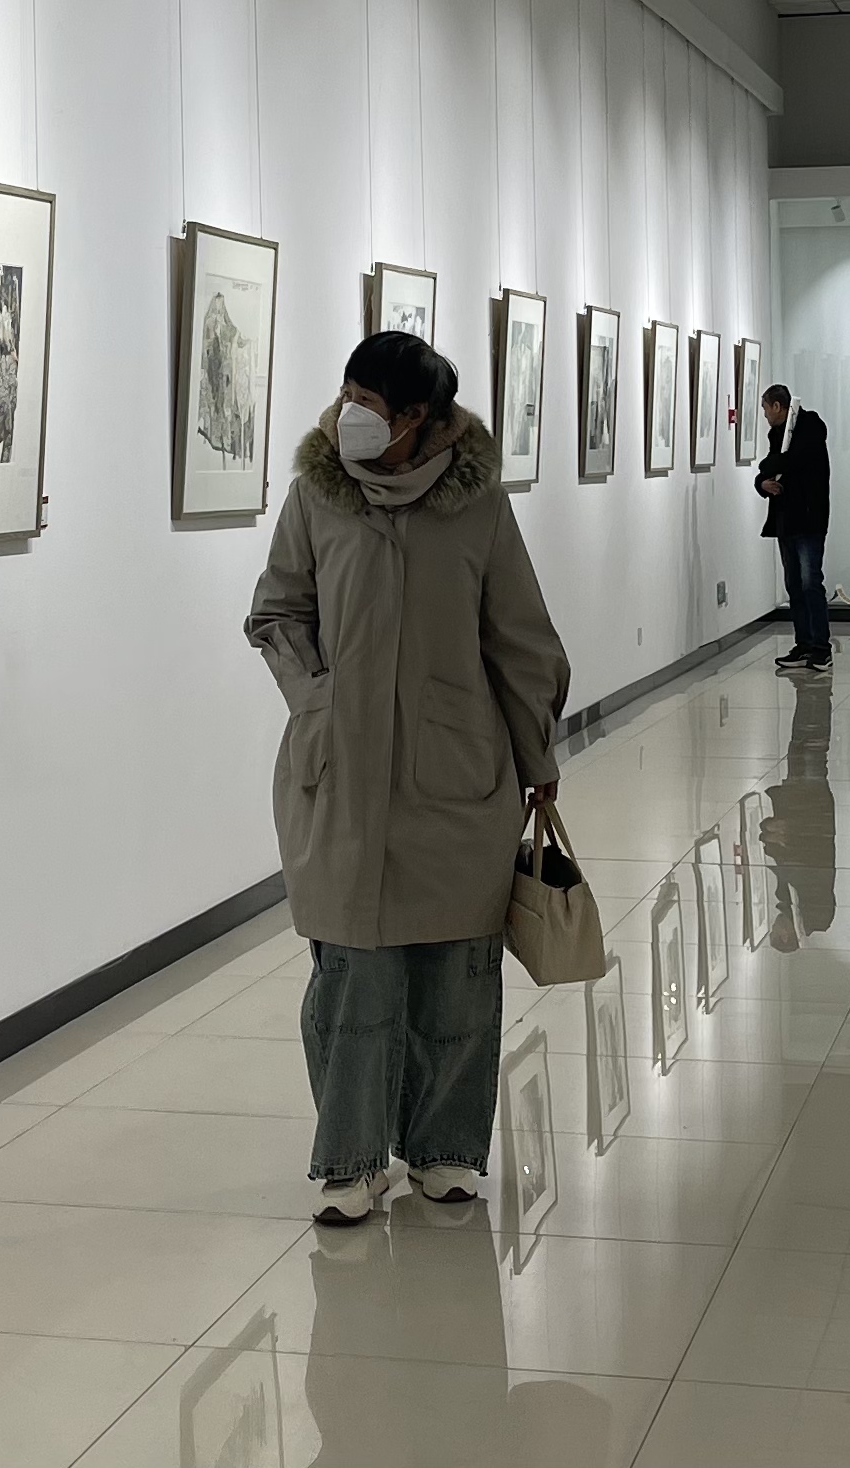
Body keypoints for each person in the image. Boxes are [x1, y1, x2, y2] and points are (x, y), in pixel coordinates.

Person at [246, 330, 570, 1226]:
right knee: (352, 976)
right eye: (346, 392)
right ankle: (351, 1161)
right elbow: (277, 612)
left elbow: (521, 640)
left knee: (455, 976)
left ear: (419, 417)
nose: (348, 414)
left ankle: (445, 1151)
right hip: (341, 777)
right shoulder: (317, 495)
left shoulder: (478, 507)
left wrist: (538, 760)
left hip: (457, 776)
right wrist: (315, 698)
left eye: (370, 403)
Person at [755, 383, 830, 671]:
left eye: (766, 409)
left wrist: (768, 466)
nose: (765, 416)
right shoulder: (776, 434)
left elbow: (791, 460)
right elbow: (770, 468)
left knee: (811, 582)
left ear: (778, 406)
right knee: (794, 585)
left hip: (809, 519)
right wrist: (762, 483)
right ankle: (804, 644)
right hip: (785, 520)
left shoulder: (810, 427)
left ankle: (821, 649)